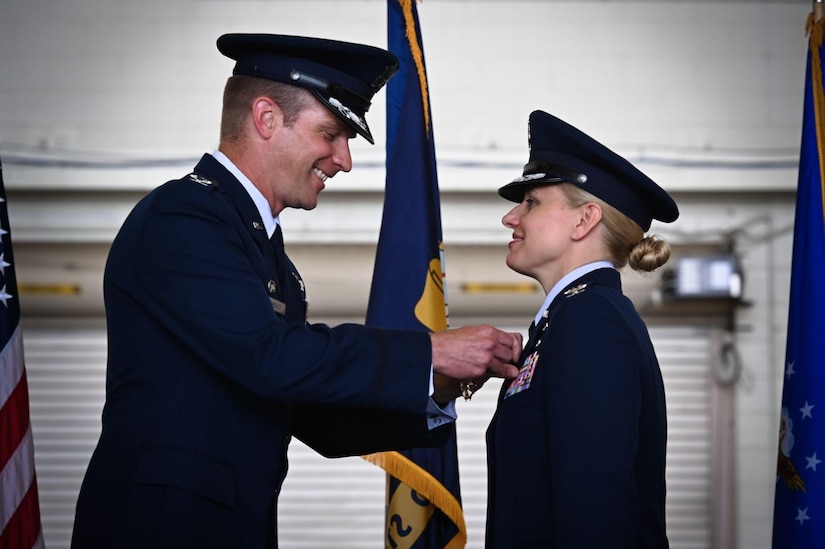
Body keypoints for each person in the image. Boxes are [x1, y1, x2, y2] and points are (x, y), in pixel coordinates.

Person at [71, 33, 521, 548]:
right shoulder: (184, 216)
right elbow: (271, 357)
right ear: (266, 119)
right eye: (331, 133)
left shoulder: (264, 252)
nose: (344, 160)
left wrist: (436, 385)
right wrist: (430, 349)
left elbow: (312, 414)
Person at [484, 110, 679, 548]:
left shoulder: (592, 321)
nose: (510, 218)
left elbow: (596, 512)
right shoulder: (568, 322)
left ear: (584, 220)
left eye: (531, 202)